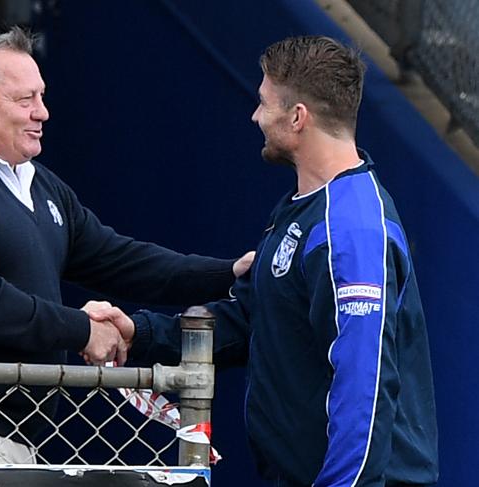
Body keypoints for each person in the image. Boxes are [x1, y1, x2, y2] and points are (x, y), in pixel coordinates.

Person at [0, 27, 253, 464]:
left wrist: (227, 273)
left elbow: (119, 260)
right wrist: (83, 329)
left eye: (41, 96)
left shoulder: (34, 181)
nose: (43, 112)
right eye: (24, 100)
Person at [90, 36, 439, 486]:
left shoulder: (351, 226)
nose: (255, 115)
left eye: (264, 103)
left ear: (297, 118)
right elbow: (249, 322)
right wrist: (138, 333)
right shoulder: (300, 209)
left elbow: (364, 384)